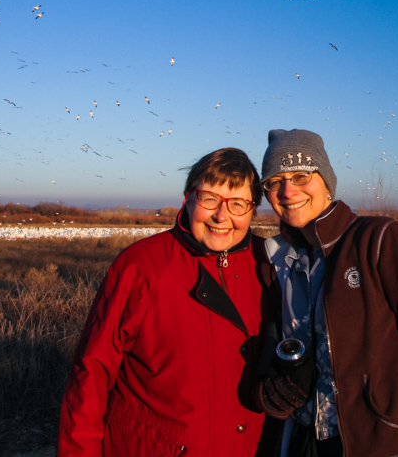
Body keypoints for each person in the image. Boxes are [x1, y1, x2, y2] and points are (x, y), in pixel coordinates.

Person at [254, 129, 398, 457]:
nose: (287, 190)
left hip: (382, 444)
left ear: (326, 181)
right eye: (274, 181)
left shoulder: (379, 241)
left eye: (300, 176)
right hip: (304, 443)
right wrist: (275, 390)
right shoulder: (277, 262)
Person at [58, 147, 281, 457]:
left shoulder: (270, 265)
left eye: (238, 204)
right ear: (188, 198)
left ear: (253, 210)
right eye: (210, 199)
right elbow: (91, 372)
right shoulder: (143, 265)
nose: (221, 216)